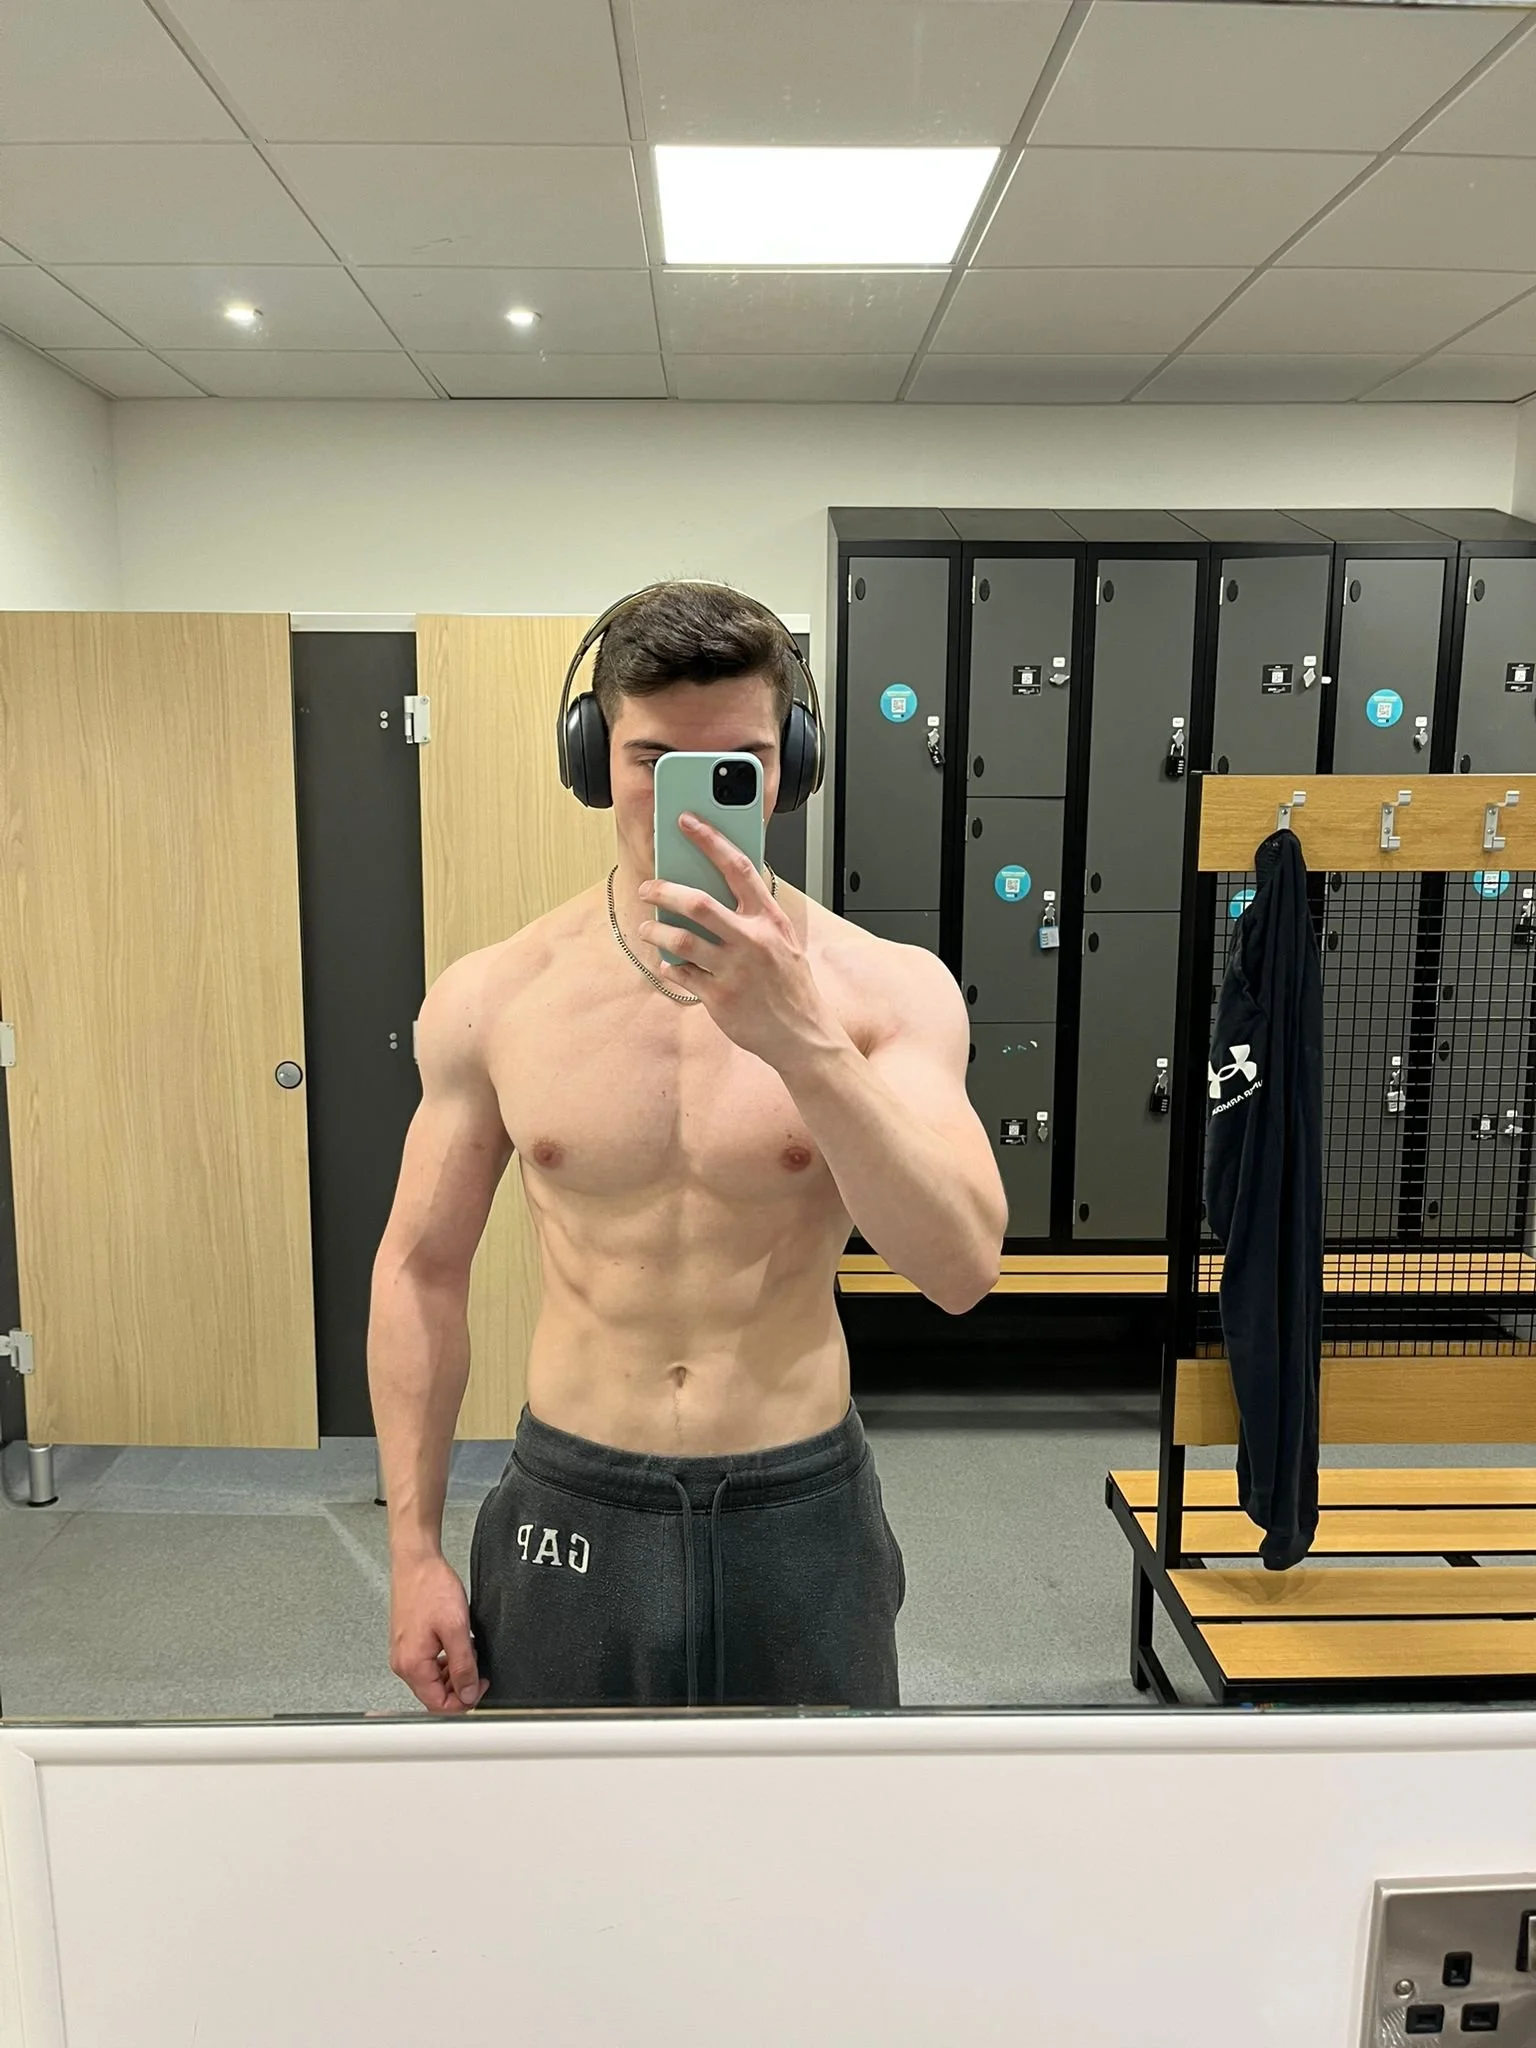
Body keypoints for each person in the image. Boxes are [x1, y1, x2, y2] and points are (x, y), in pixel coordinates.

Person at [367, 580, 1008, 1713]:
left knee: (816, 1858)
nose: (702, 803)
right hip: (576, 1488)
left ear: (791, 763)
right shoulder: (498, 996)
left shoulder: (888, 992)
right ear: (593, 759)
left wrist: (804, 1044)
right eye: (654, 760)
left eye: (741, 763)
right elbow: (420, 1271)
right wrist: (415, 1550)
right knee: (570, 1857)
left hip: (799, 1498)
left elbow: (960, 1269)